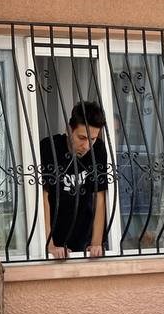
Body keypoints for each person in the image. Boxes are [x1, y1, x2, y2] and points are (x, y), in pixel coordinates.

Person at [39, 101, 110, 259]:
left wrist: (96, 243)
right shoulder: (49, 147)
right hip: (55, 234)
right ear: (68, 130)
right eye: (82, 138)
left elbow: (100, 195)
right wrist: (49, 244)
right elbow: (43, 197)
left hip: (83, 235)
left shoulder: (98, 149)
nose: (87, 146)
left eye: (92, 139)